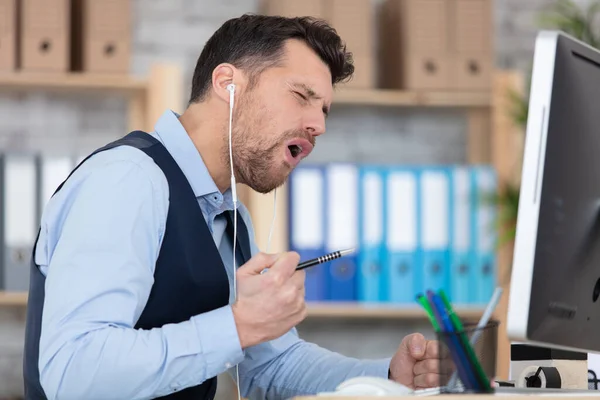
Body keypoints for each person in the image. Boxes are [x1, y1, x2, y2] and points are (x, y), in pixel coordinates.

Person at [22, 14, 441, 400]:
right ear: (228, 84)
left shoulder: (228, 215)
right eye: (301, 96)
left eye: (324, 109)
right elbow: (73, 370)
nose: (319, 125)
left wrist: (387, 378)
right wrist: (239, 326)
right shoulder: (129, 179)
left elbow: (274, 366)